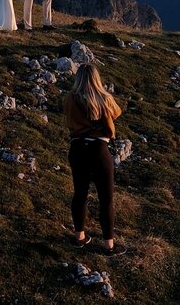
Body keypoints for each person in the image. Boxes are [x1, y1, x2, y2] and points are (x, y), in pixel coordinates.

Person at [62, 64, 126, 256]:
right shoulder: (104, 98)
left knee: (79, 193)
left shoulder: (70, 98)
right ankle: (109, 245)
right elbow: (117, 113)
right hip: (99, 149)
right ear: (96, 78)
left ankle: (79, 237)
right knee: (106, 199)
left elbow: (68, 118)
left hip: (78, 148)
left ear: (78, 78)